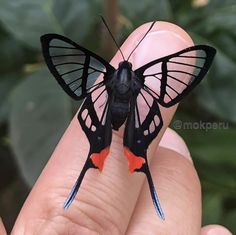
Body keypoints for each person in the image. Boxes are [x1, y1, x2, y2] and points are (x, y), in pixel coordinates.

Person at [1, 22, 232, 235]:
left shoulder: (99, 73)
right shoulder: (149, 75)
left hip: (103, 106)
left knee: (102, 136)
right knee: (141, 140)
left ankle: (103, 154)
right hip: (135, 110)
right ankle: (130, 154)